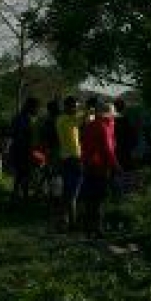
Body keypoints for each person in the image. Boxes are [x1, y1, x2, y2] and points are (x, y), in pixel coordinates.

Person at [80, 100, 121, 238]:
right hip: (100, 168)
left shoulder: (89, 125)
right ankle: (97, 229)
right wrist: (116, 166)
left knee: (90, 199)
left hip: (87, 166)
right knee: (99, 200)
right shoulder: (104, 127)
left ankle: (88, 228)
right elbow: (108, 150)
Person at [55, 97, 85, 232]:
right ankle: (68, 222)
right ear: (69, 107)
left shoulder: (62, 119)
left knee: (67, 191)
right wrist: (91, 109)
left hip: (65, 158)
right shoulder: (69, 120)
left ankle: (66, 222)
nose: (76, 109)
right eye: (75, 106)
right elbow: (86, 117)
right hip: (74, 159)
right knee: (73, 193)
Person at [8, 97, 41, 203]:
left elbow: (12, 133)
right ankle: (22, 197)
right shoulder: (28, 119)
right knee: (25, 175)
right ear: (31, 107)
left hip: (16, 149)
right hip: (25, 150)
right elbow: (28, 135)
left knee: (19, 176)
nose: (37, 110)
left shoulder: (17, 117)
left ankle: (16, 196)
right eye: (36, 108)